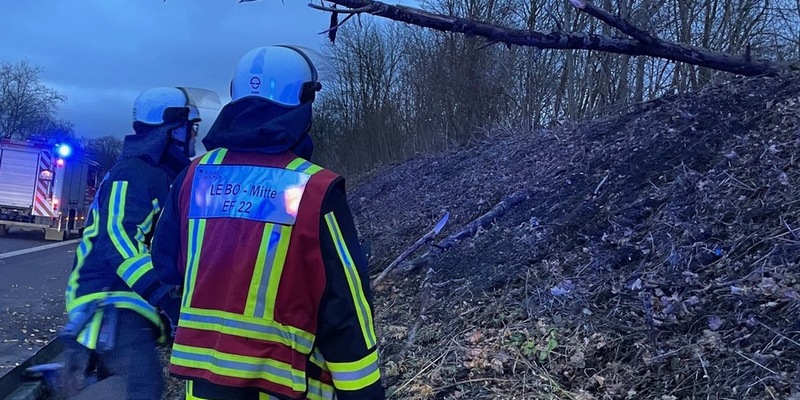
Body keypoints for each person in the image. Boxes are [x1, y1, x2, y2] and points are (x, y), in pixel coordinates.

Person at [150, 45, 385, 400]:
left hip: (203, 387)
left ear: (235, 94)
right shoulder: (315, 189)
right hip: (283, 386)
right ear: (305, 102)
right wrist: (365, 394)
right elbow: (346, 311)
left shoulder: (193, 177)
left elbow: (165, 265)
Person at [61, 87, 207, 400]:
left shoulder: (161, 176)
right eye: (191, 129)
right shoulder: (135, 173)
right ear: (173, 130)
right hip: (111, 300)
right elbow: (119, 238)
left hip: (127, 304)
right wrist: (164, 294)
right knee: (141, 390)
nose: (194, 138)